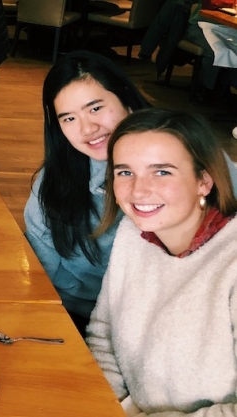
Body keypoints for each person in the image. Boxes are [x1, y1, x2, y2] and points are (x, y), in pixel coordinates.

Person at [23, 50, 237, 336]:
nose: (88, 128)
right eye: (68, 119)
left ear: (124, 97)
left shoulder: (189, 152)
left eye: (96, 108)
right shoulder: (55, 181)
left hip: (173, 326)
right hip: (75, 315)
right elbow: (42, 265)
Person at [88, 108, 237, 415]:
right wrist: (103, 405)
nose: (139, 191)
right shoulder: (133, 233)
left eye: (162, 171)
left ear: (204, 181)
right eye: (125, 172)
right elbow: (103, 334)